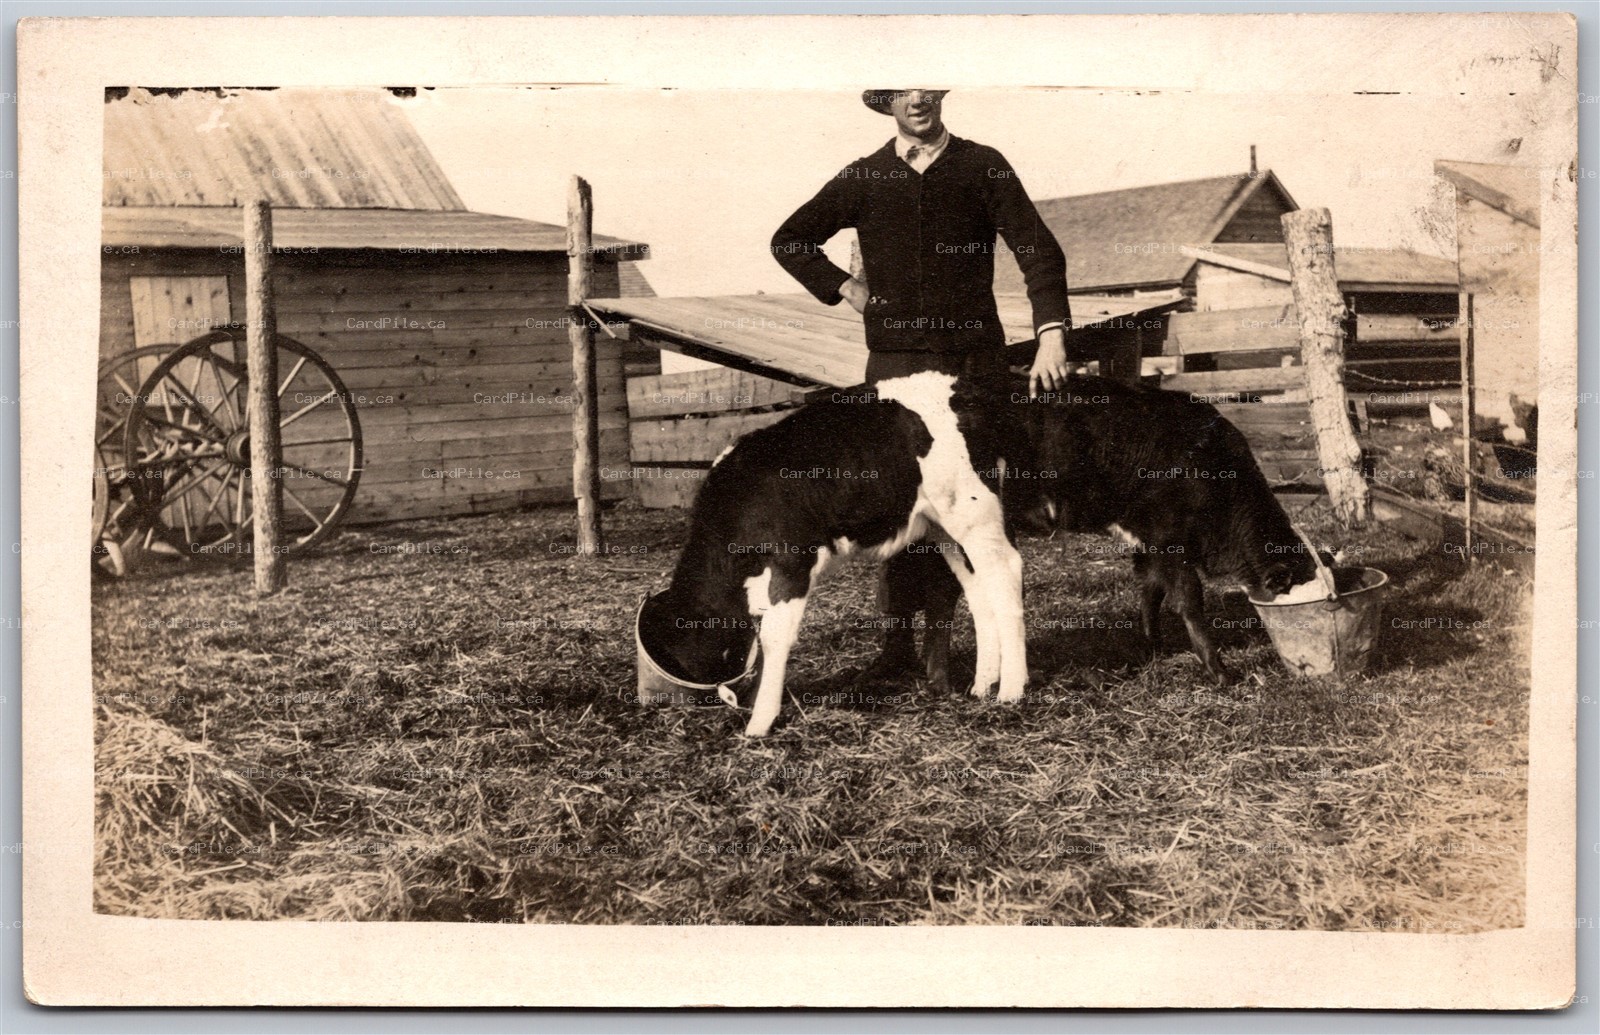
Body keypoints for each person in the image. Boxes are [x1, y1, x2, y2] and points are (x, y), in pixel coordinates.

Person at [771, 87, 1072, 686]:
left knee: (973, 512)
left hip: (972, 370)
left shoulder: (982, 164)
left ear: (940, 93)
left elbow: (1037, 247)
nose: (918, 99)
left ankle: (984, 657)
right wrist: (845, 288)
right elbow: (791, 240)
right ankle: (900, 650)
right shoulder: (863, 176)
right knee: (900, 508)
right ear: (887, 103)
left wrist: (1052, 332)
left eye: (927, 86)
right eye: (903, 90)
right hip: (897, 369)